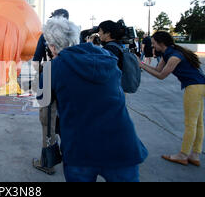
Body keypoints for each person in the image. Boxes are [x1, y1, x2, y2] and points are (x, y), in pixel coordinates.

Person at [43, 17, 148, 182]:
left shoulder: (53, 68)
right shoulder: (106, 57)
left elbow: (45, 106)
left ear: (53, 46)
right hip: (122, 144)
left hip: (80, 149)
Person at [139, 31, 205, 167]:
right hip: (200, 86)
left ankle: (183, 155)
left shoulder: (175, 56)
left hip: (194, 88)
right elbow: (157, 70)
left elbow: (161, 76)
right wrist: (141, 64)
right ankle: (195, 155)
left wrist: (141, 65)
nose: (152, 46)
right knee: (198, 123)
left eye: (154, 43)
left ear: (161, 43)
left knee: (191, 123)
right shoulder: (168, 53)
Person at [32, 10, 70, 175]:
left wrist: (44, 72)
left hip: (49, 83)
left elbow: (35, 62)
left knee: (48, 124)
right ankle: (70, 158)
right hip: (72, 86)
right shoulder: (74, 35)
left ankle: (48, 163)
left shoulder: (45, 36)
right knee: (69, 123)